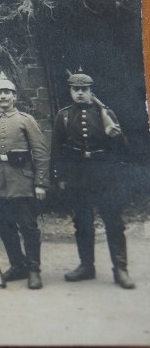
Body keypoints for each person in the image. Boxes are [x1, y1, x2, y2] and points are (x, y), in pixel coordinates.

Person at [51, 71, 134, 289]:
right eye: (75, 89)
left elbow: (124, 149)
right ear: (70, 91)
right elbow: (57, 150)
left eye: (84, 89)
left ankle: (120, 269)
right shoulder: (64, 116)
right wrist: (59, 178)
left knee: (114, 223)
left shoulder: (105, 113)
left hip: (105, 176)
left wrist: (116, 136)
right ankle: (86, 266)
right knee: (83, 223)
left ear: (90, 91)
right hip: (78, 177)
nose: (80, 93)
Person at [0, 73, 49, 289]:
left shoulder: (26, 120)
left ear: (14, 96)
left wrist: (40, 183)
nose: (2, 97)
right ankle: (18, 265)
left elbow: (41, 153)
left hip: (22, 183)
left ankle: (34, 269)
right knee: (3, 226)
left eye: (6, 92)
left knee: (28, 227)